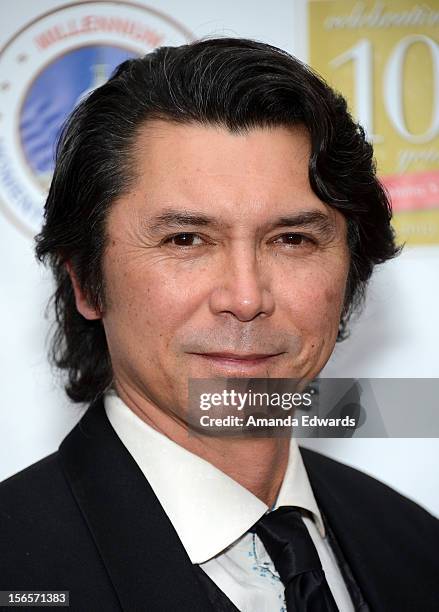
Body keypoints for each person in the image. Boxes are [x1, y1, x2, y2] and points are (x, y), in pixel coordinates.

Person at [0, 38, 437, 612]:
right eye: (185, 240)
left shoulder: (414, 544)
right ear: (86, 281)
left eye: (292, 239)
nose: (246, 297)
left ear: (351, 271)